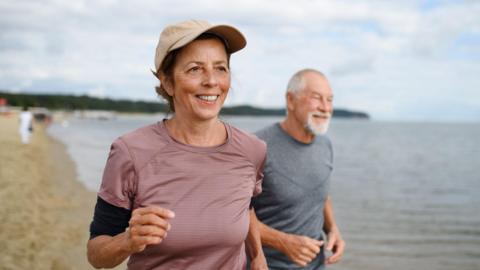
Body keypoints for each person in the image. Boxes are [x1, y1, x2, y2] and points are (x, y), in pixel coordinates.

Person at [87, 20, 267, 270]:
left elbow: (245, 208)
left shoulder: (252, 150)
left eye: (220, 68)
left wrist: (258, 257)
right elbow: (96, 254)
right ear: (168, 82)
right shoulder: (130, 152)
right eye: (195, 69)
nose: (211, 81)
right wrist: (127, 241)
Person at [253, 69, 345, 269]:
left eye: (330, 100)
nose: (325, 108)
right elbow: (235, 215)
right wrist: (282, 241)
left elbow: (320, 193)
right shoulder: (257, 147)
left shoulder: (325, 145)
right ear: (290, 100)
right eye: (317, 98)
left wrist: (332, 229)